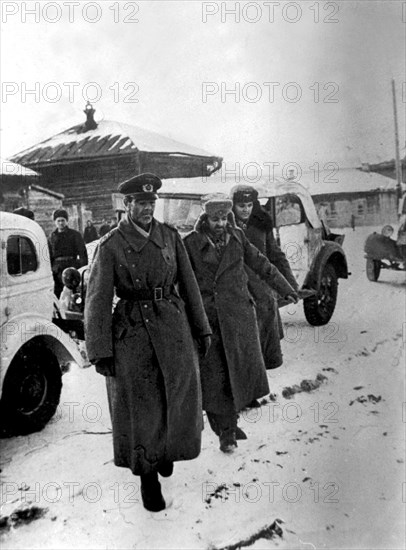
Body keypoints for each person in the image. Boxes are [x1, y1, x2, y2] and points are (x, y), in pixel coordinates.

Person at [84, 173, 211, 513]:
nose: (147, 208)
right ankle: (148, 477)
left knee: (177, 395)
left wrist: (202, 329)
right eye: (141, 203)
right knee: (143, 408)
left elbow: (189, 284)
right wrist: (100, 351)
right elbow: (97, 300)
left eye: (151, 203)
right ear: (126, 206)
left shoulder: (170, 237)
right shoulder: (110, 245)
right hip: (133, 334)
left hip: (173, 325)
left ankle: (167, 450)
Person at [183, 193, 298, 454]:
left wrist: (286, 288)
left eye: (224, 218)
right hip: (208, 321)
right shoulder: (190, 244)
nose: (220, 223)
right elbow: (180, 281)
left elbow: (262, 264)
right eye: (215, 219)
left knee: (236, 373)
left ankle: (230, 424)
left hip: (238, 317)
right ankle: (225, 432)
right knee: (215, 378)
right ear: (205, 218)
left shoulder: (237, 237)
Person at [231, 184, 299, 375]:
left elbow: (276, 255)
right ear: (233, 206)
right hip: (237, 289)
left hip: (261, 290)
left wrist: (290, 285)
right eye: (241, 205)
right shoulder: (225, 225)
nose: (246, 210)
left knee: (264, 345)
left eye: (249, 205)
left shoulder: (262, 224)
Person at [48, 209, 88, 298]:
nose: (61, 223)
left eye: (63, 220)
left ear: (67, 221)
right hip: (57, 270)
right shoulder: (52, 237)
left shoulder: (74, 235)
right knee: (58, 293)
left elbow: (82, 253)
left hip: (71, 267)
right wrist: (51, 269)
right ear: (55, 222)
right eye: (58, 221)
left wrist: (81, 269)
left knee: (73, 294)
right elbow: (49, 255)